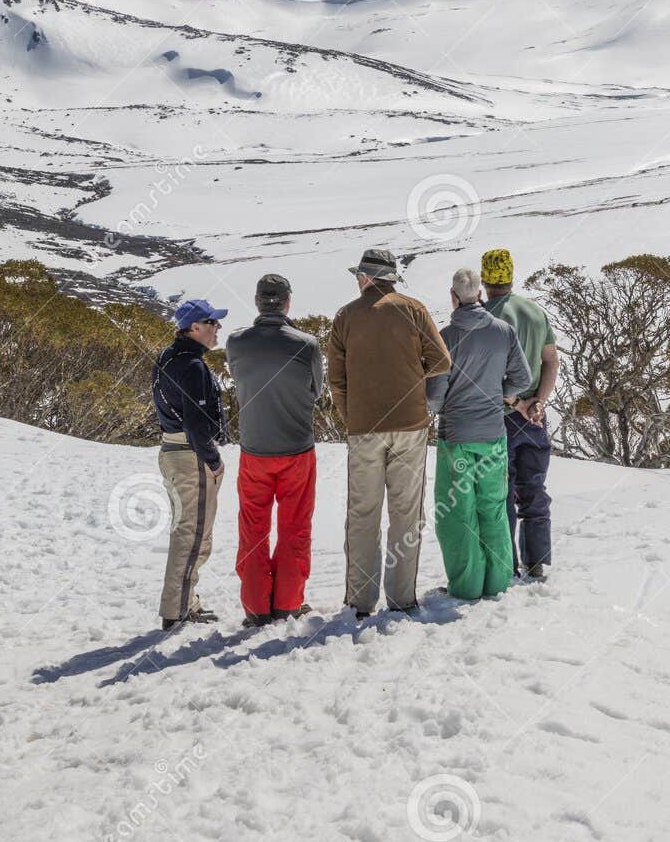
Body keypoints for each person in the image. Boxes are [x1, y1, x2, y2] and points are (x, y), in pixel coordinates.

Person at [327, 248, 452, 618]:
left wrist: (352, 416)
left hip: (363, 427)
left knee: (363, 513)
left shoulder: (345, 316)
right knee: (406, 514)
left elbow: (336, 378)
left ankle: (360, 600)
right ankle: (401, 598)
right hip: (411, 425)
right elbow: (442, 361)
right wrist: (411, 377)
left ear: (366, 277)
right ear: (390, 277)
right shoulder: (413, 309)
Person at [426, 269, 531, 602]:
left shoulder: (445, 337)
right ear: (480, 294)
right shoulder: (503, 332)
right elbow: (521, 378)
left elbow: (434, 397)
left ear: (453, 296)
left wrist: (448, 404)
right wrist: (499, 394)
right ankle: (497, 582)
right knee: (494, 506)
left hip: (455, 435)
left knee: (458, 511)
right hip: (493, 433)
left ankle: (467, 585)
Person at [225, 274, 323, 627]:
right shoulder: (307, 344)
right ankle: (288, 602)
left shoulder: (236, 343)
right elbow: (316, 392)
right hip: (297, 448)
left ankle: (255, 607)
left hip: (254, 449)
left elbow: (239, 379)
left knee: (253, 527)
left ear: (256, 301)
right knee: (295, 526)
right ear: (287, 303)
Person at [481, 249, 561, 581]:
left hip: (501, 417)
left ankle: (506, 564)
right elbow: (551, 361)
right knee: (534, 488)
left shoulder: (484, 318)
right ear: (511, 276)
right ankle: (537, 561)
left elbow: (487, 375)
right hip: (534, 420)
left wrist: (518, 404)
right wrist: (538, 403)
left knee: (502, 494)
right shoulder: (534, 312)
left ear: (485, 279)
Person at [151, 298, 228, 629]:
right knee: (193, 534)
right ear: (194, 328)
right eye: (212, 323)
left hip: (172, 451)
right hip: (190, 456)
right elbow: (197, 423)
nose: (217, 330)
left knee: (186, 530)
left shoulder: (168, 356)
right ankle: (178, 610)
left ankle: (184, 601)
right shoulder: (193, 366)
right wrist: (212, 460)